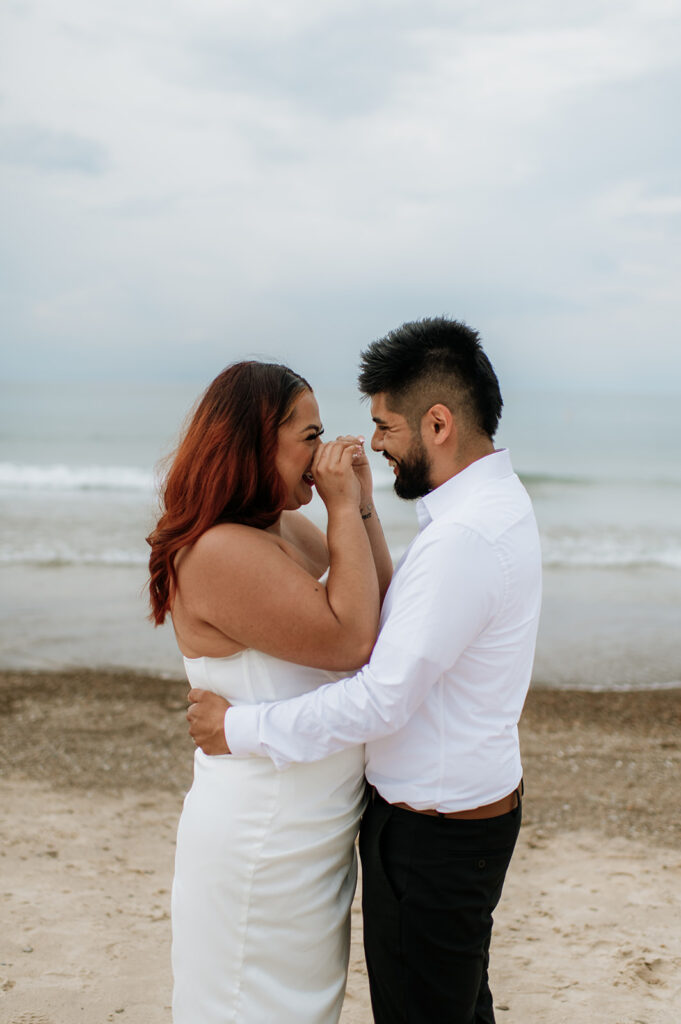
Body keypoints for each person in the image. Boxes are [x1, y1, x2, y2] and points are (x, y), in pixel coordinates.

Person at [188, 317, 543, 1024]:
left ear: (436, 424)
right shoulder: (479, 513)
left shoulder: (463, 537)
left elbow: (370, 670)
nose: (368, 443)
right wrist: (355, 508)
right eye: (317, 434)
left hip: (431, 833)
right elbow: (374, 620)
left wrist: (241, 727)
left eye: (383, 426)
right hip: (412, 824)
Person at [146, 360, 393, 1023]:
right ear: (259, 440)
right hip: (263, 840)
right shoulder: (219, 550)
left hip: (310, 837)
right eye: (308, 436)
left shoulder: (280, 531)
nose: (323, 450)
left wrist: (360, 501)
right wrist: (341, 504)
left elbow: (379, 596)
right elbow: (351, 640)